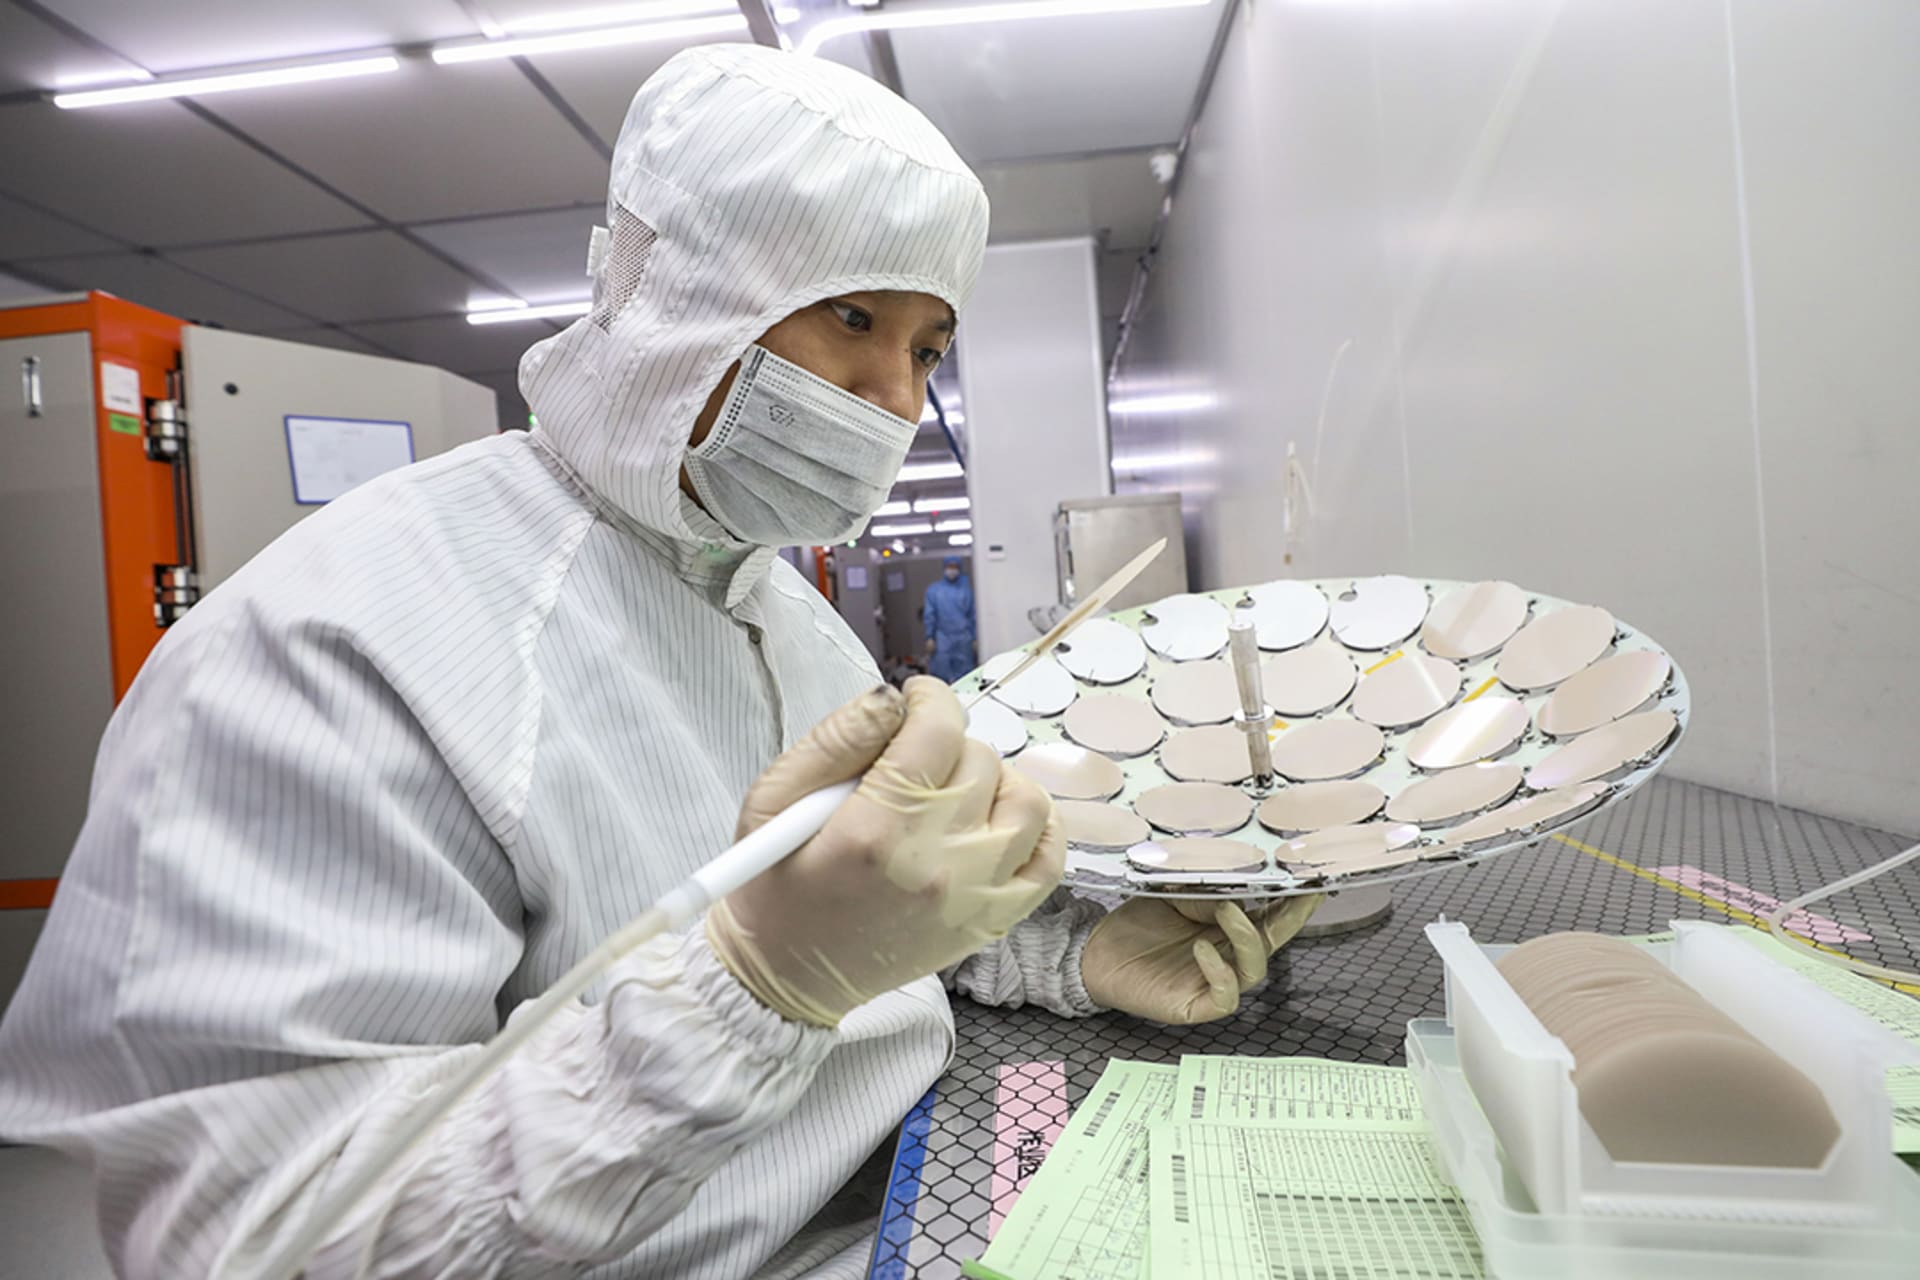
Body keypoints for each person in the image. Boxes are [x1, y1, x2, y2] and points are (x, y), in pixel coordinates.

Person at [0, 45, 1316, 1279]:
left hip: (911, 1185)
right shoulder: (336, 648)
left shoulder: (778, 610)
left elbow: (865, 935)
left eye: (925, 348)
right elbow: (275, 1239)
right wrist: (750, 986)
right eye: (851, 316)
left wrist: (1062, 954)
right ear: (675, 294)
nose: (899, 401)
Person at [922, 555, 977, 682]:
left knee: (965, 677)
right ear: (944, 568)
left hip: (964, 638)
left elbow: (972, 615)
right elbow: (930, 615)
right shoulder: (934, 590)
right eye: (949, 567)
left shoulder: (965, 590)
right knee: (941, 674)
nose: (952, 570)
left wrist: (974, 637)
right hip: (942, 638)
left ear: (960, 568)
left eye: (955, 567)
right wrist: (929, 637)